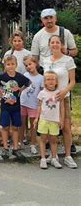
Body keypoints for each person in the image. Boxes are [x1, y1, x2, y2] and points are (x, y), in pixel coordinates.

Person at [40, 35, 77, 169]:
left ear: (61, 45)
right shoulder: (45, 60)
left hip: (62, 98)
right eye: (52, 42)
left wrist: (64, 91)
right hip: (49, 99)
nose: (55, 44)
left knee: (66, 127)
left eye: (57, 42)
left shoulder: (68, 60)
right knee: (50, 127)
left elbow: (72, 81)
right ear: (49, 45)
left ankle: (67, 155)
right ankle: (53, 155)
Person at [0, 55, 30, 160]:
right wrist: (0, 89)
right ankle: (5, 147)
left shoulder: (19, 76)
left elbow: (28, 82)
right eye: (8, 64)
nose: (10, 66)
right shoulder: (2, 76)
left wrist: (21, 89)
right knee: (5, 127)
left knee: (15, 127)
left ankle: (15, 148)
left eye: (13, 64)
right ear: (5, 65)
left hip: (16, 106)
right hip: (5, 105)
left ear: (16, 65)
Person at [35, 71, 64, 169]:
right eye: (48, 79)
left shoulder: (59, 93)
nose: (51, 81)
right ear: (45, 82)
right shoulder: (42, 93)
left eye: (53, 79)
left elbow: (62, 108)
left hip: (55, 120)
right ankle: (43, 158)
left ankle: (54, 158)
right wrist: (36, 118)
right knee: (43, 139)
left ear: (56, 82)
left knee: (54, 140)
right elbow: (39, 106)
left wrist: (61, 119)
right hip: (43, 120)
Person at [20, 55, 44, 154]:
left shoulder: (41, 78)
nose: (28, 67)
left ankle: (33, 144)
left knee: (33, 125)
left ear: (36, 64)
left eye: (30, 64)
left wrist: (40, 105)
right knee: (21, 123)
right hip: (23, 103)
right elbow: (20, 88)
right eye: (26, 65)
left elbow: (42, 92)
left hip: (34, 105)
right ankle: (20, 142)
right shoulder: (25, 75)